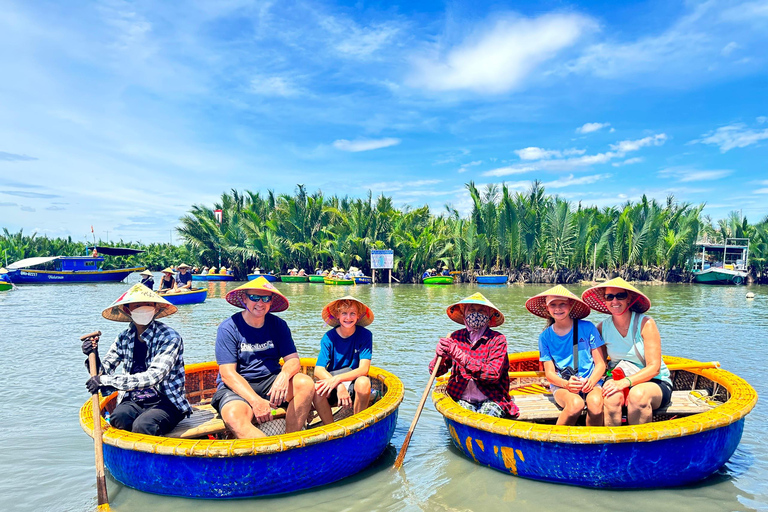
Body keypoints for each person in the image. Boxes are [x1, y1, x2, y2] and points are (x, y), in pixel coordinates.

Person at [81, 284, 191, 435]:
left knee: (144, 425)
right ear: (128, 310)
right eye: (138, 305)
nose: (144, 309)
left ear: (156, 308)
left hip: (166, 400)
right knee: (119, 418)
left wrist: (105, 381)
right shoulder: (124, 337)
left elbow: (153, 377)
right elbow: (103, 372)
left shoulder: (170, 337)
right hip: (134, 399)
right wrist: (93, 354)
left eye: (148, 305)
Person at [211, 278, 314, 438]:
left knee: (306, 383)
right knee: (233, 416)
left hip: (270, 383)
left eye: (266, 298)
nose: (260, 303)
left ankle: (289, 443)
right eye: (254, 297)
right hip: (238, 386)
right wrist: (255, 402)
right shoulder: (228, 328)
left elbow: (293, 360)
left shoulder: (278, 325)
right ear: (244, 298)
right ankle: (269, 455)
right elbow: (227, 374)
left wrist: (284, 376)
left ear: (271, 302)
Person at [582, 277, 673, 426]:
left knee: (638, 396)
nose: (615, 301)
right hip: (619, 377)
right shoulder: (601, 328)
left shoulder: (645, 324)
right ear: (604, 301)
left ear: (629, 298)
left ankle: (638, 447)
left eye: (620, 296)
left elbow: (654, 368)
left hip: (655, 382)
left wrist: (625, 383)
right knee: (610, 397)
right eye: (609, 297)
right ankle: (613, 445)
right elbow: (600, 363)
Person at [525, 285, 606, 426]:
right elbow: (549, 374)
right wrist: (567, 384)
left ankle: (593, 443)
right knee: (575, 404)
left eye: (562, 304)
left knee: (596, 404)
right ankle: (555, 444)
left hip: (591, 382)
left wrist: (591, 381)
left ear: (570, 305)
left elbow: (600, 364)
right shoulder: (545, 337)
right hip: (562, 385)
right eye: (553, 305)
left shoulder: (587, 327)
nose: (558, 309)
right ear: (547, 308)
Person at [428, 293, 518, 418]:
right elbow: (435, 371)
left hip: (491, 397)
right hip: (460, 396)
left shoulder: (497, 340)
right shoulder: (456, 337)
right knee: (465, 416)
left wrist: (460, 356)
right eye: (471, 310)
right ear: (464, 313)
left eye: (481, 311)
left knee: (485, 419)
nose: (476, 314)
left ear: (489, 315)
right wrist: (439, 356)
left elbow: (492, 374)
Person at [313, 296, 374, 424]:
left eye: (353, 314)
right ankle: (330, 427)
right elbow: (318, 369)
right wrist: (338, 384)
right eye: (344, 313)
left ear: (358, 316)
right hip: (334, 381)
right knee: (317, 390)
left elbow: (364, 369)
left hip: (353, 380)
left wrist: (339, 380)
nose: (348, 318)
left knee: (364, 383)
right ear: (337, 315)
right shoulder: (329, 337)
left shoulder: (365, 335)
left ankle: (357, 424)